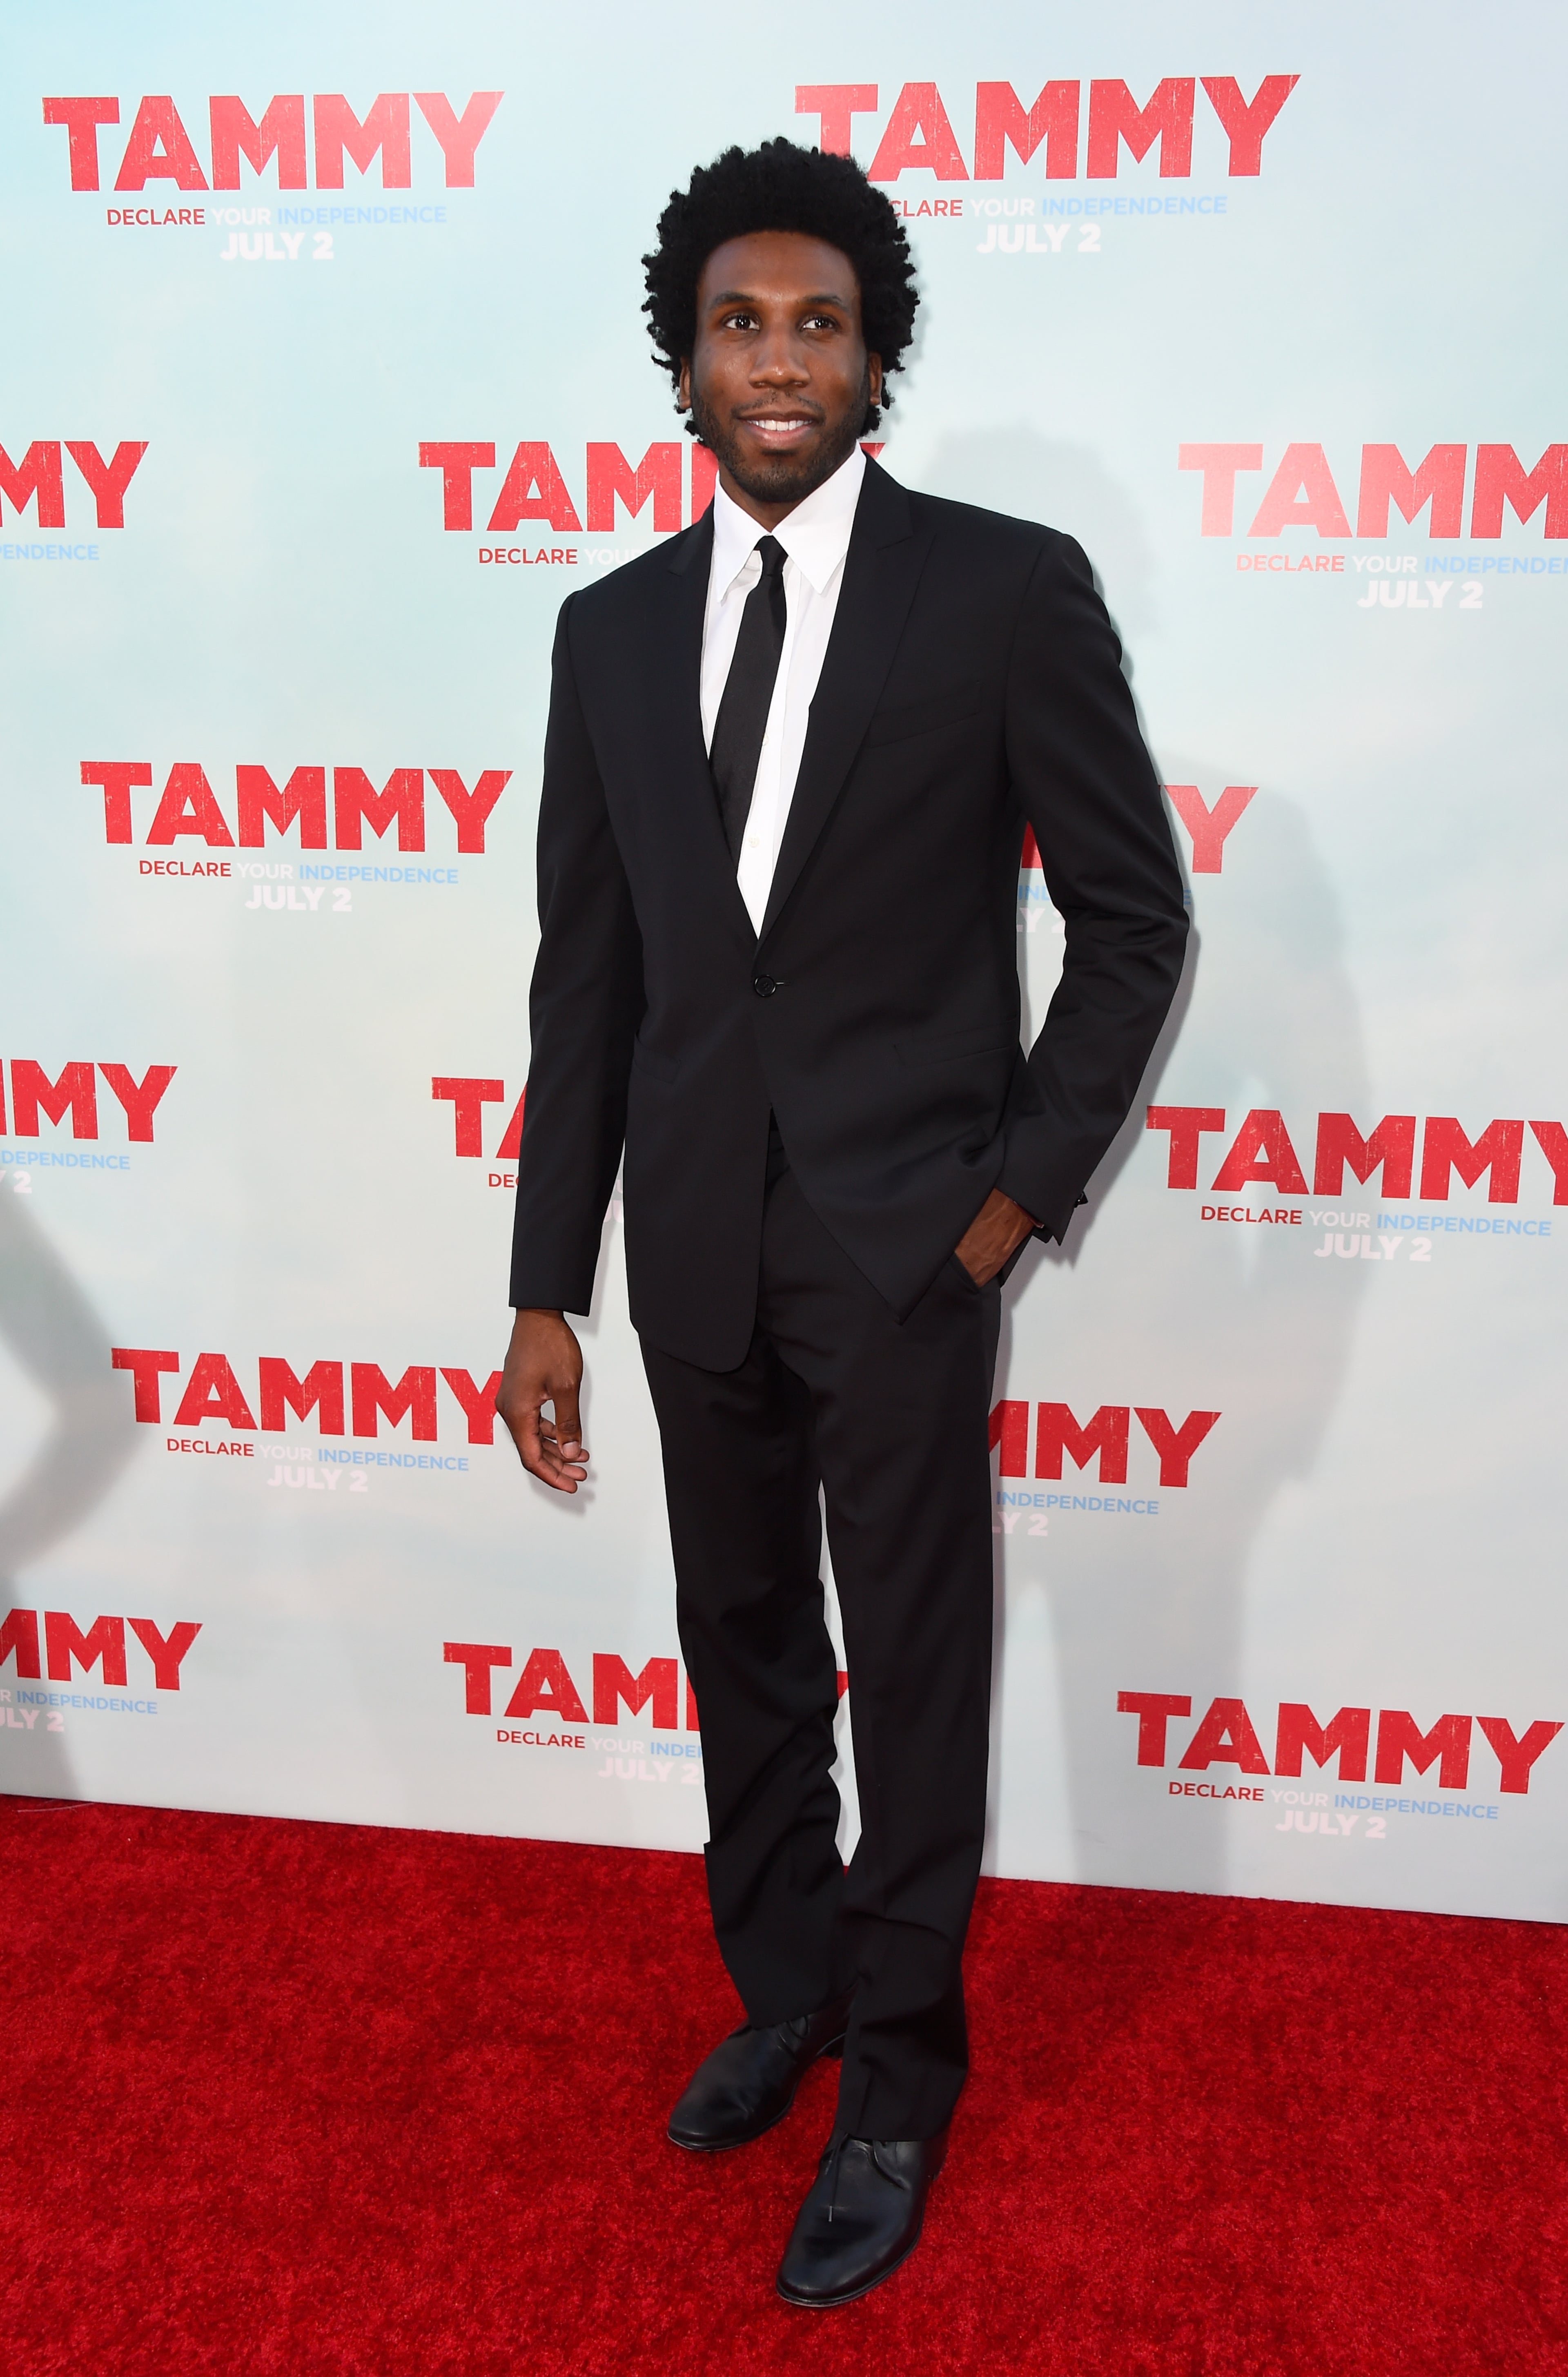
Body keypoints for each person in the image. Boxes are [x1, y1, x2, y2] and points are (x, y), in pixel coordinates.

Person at [497, 137, 1188, 2309]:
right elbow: (586, 981)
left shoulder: (1001, 588)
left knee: (917, 1675)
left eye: (818, 319)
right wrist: (545, 1280)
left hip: (910, 1255)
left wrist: (1004, 1214)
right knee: (744, 1654)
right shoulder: (607, 634)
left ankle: (900, 2076)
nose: (779, 358)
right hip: (692, 1249)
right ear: (681, 362)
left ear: (876, 350)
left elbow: (1131, 924)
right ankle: (784, 1989)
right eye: (740, 321)